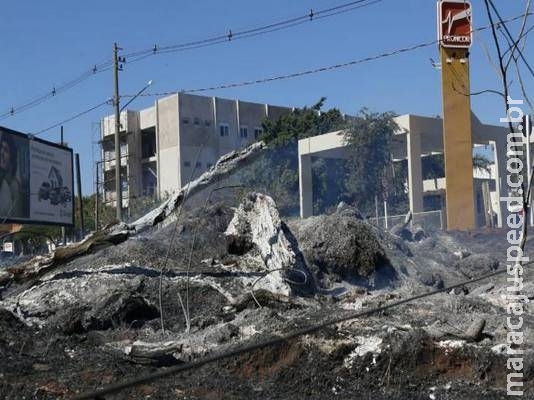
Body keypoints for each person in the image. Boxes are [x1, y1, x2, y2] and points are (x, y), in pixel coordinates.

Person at [0, 133, 23, 218]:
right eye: (1, 148)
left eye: (5, 150)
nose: (1, 152)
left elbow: (17, 215)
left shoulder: (14, 185)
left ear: (11, 157)